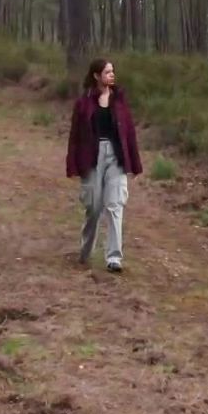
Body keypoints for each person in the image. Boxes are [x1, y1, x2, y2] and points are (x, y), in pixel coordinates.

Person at [65, 58, 143, 272]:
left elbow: (129, 133)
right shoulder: (83, 103)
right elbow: (74, 137)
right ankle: (86, 251)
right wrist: (72, 165)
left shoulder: (120, 100)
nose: (112, 75)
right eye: (107, 72)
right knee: (94, 206)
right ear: (96, 76)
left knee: (115, 205)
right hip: (92, 156)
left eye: (112, 71)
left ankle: (114, 258)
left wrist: (135, 164)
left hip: (116, 157)